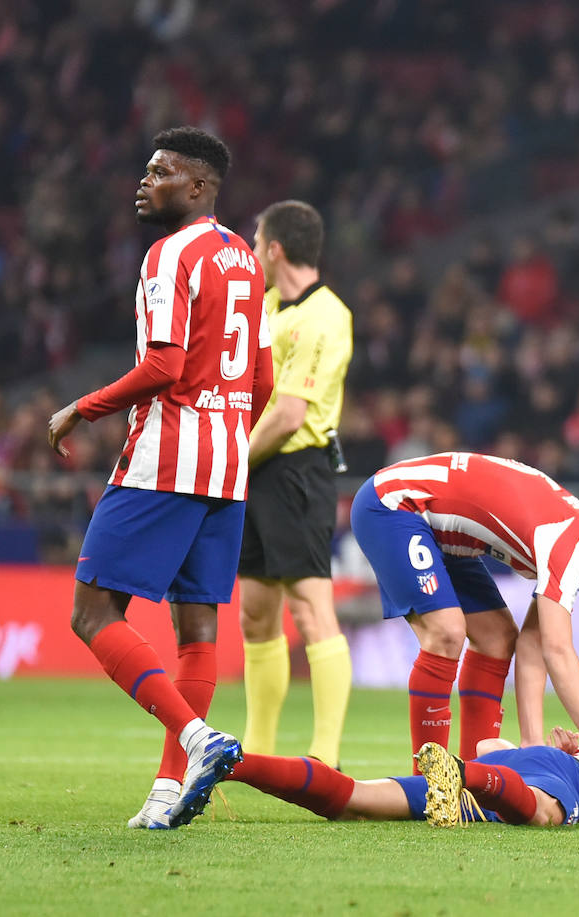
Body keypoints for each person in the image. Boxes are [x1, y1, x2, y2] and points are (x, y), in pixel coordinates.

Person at [47, 127, 273, 829]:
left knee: (92, 613)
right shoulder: (246, 259)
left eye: (160, 172)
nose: (143, 183)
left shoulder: (169, 255)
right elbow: (263, 379)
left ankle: (198, 739)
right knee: (197, 628)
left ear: (198, 186)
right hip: (227, 467)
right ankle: (167, 791)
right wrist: (228, 433)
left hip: (166, 458)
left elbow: (165, 366)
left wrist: (82, 408)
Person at [350, 451, 579, 804]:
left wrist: (531, 744)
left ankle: (473, 783)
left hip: (442, 534)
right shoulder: (569, 545)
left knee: (497, 638)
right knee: (446, 631)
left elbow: (533, 644)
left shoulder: (577, 538)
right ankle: (429, 788)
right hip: (396, 505)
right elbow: (557, 649)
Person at [238, 200, 353, 768]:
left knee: (310, 609)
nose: (252, 251)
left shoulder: (325, 316)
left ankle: (324, 758)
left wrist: (233, 461)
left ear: (276, 249)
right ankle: (257, 754)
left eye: (257, 242)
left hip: (296, 469)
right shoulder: (265, 308)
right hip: (258, 468)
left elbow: (287, 416)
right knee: (255, 612)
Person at [222, 725, 579, 827]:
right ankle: (463, 773)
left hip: (519, 767)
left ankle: (234, 763)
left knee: (356, 802)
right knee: (544, 817)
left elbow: (495, 747)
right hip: (569, 780)